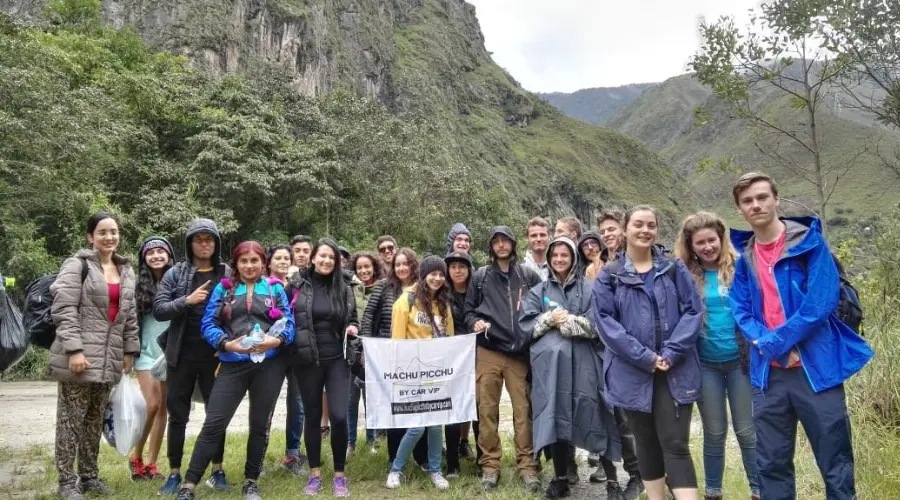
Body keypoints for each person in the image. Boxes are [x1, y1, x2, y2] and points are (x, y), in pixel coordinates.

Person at [728, 172, 873, 500]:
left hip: (815, 370)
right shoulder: (745, 258)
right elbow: (740, 310)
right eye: (748, 201)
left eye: (762, 197)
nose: (756, 205)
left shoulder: (810, 243)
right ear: (740, 209)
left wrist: (775, 344)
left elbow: (819, 305)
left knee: (835, 460)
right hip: (769, 377)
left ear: (776, 199)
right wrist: (772, 348)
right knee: (771, 464)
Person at [592, 205, 703, 500]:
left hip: (674, 368)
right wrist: (645, 357)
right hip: (631, 371)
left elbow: (694, 311)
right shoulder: (610, 276)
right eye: (638, 224)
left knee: (675, 443)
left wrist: (670, 352)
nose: (645, 230)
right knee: (645, 440)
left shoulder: (673, 268)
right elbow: (606, 324)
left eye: (651, 225)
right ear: (626, 229)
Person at [174, 241, 295, 500]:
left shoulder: (275, 288)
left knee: (259, 425)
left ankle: (251, 482)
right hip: (231, 364)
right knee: (214, 424)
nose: (249, 266)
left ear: (263, 263)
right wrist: (228, 344)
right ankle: (189, 485)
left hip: (269, 366)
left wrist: (275, 341)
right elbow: (208, 323)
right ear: (236, 264)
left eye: (254, 261)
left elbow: (289, 324)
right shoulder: (224, 288)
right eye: (244, 261)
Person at [520, 237, 621, 499]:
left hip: (586, 365)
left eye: (565, 255)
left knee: (597, 412)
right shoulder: (539, 291)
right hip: (552, 370)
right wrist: (547, 319)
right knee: (556, 416)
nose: (559, 260)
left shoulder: (590, 288)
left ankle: (612, 482)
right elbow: (525, 326)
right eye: (555, 256)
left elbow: (599, 322)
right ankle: (561, 478)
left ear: (573, 258)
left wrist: (569, 323)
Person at [49, 212, 140, 500]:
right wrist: (74, 350)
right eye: (102, 232)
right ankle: (67, 481)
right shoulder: (77, 265)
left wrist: (129, 352)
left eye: (113, 231)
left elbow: (130, 317)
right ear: (91, 236)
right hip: (80, 358)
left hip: (109, 360)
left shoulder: (126, 270)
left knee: (94, 421)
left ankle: (89, 477)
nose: (109, 237)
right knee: (70, 421)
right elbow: (64, 309)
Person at [674, 212, 759, 500]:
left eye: (712, 240)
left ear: (721, 239)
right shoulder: (683, 274)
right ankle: (713, 492)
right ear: (691, 245)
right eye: (701, 243)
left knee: (747, 431)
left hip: (740, 363)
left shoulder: (741, 267)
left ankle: (759, 491)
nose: (708, 247)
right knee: (714, 432)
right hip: (705, 364)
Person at [154, 219, 230, 495]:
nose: (204, 244)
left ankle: (217, 470)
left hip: (217, 356)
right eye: (198, 239)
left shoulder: (227, 273)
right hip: (181, 355)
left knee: (216, 416)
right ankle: (174, 473)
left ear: (216, 242)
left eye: (209, 239)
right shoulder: (176, 273)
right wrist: (186, 301)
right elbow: (159, 309)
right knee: (178, 416)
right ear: (189, 243)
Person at [464, 226, 542, 492]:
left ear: (512, 244)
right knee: (486, 411)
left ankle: (527, 466)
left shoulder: (528, 275)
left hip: (519, 353)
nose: (500, 245)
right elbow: (468, 311)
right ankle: (490, 466)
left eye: (505, 240)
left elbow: (541, 306)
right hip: (488, 350)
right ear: (491, 247)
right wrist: (475, 322)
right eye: (495, 241)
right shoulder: (481, 276)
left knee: (523, 412)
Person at [286, 238, 359, 497]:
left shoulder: (344, 286)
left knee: (339, 416)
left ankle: (340, 474)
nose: (327, 260)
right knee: (313, 416)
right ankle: (315, 473)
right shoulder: (296, 285)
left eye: (332, 257)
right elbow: (284, 317)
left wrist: (353, 327)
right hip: (307, 361)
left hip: (338, 360)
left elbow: (353, 319)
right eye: (323, 256)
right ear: (313, 257)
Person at [385, 256, 455, 491]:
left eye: (441, 274)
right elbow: (396, 341)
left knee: (435, 426)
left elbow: (451, 339)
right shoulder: (406, 301)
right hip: (413, 374)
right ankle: (396, 469)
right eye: (432, 273)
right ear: (424, 275)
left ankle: (435, 470)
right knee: (416, 427)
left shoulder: (443, 303)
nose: (437, 278)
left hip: (437, 373)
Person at [589, 209, 643, 495]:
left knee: (635, 419)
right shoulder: (599, 267)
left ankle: (642, 474)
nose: (608, 234)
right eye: (604, 231)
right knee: (614, 416)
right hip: (606, 351)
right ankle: (621, 476)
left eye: (612, 229)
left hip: (635, 351)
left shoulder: (638, 260)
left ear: (624, 229)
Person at [360, 248, 428, 466]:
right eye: (397, 264)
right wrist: (365, 348)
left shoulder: (423, 289)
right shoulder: (383, 286)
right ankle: (394, 458)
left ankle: (421, 456)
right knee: (396, 409)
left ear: (413, 265)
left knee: (421, 407)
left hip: (419, 356)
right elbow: (369, 316)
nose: (400, 268)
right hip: (389, 355)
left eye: (405, 264)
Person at [129, 237, 175, 481]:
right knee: (152, 405)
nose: (156, 255)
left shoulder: (179, 282)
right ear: (144, 258)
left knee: (162, 410)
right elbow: (128, 322)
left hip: (169, 353)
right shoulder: (137, 286)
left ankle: (152, 464)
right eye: (151, 252)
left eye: (161, 251)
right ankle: (135, 456)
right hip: (146, 352)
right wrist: (127, 353)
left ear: (169, 255)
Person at [266, 244, 310, 476]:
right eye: (278, 258)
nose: (283, 262)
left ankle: (292, 455)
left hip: (295, 353)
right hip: (271, 354)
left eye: (286, 258)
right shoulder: (263, 286)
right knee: (266, 405)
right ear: (269, 261)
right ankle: (258, 456)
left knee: (297, 405)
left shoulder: (299, 285)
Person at [347, 251, 383, 456]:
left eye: (367, 266)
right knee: (351, 399)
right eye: (359, 267)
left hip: (375, 350)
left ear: (374, 267)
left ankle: (372, 440)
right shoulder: (349, 289)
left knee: (371, 399)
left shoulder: (382, 288)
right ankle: (350, 442)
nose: (363, 271)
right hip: (352, 349)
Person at [444, 251, 476, 474]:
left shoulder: (478, 293)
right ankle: (452, 462)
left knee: (479, 407)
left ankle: (483, 461)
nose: (457, 270)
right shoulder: (442, 295)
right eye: (453, 266)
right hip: (451, 357)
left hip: (478, 355)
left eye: (462, 266)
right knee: (453, 409)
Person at [523, 217, 551, 281]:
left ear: (549, 237)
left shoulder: (559, 267)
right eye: (534, 235)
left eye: (542, 235)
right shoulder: (520, 270)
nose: (538, 239)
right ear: (527, 239)